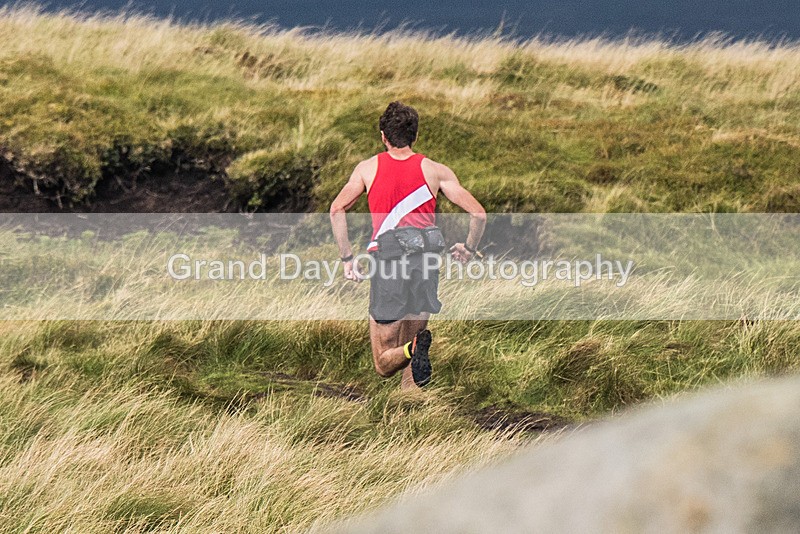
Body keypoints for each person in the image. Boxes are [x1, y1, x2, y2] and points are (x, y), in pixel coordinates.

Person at [330, 101, 486, 389]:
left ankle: (413, 351)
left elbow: (337, 209)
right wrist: (468, 248)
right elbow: (478, 214)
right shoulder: (436, 171)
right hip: (425, 265)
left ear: (383, 136)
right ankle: (411, 403)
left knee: (382, 362)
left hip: (389, 265)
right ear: (415, 136)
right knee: (412, 345)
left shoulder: (367, 169)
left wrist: (347, 258)